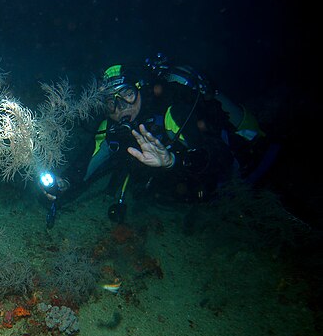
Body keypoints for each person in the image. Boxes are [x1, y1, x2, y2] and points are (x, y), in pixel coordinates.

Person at [79, 54, 277, 223]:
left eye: (127, 94)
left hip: (257, 172)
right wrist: (61, 187)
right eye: (110, 103)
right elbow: (83, 171)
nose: (121, 106)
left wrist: (172, 161)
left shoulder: (173, 113)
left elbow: (222, 161)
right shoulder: (111, 128)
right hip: (199, 201)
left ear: (139, 89)